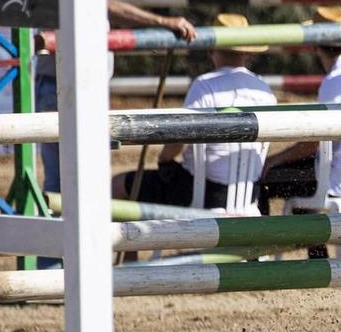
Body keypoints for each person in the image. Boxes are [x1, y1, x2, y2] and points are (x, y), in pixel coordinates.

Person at [25, 0, 196, 197]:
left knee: (72, 179)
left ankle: (64, 235)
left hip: (71, 83)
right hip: (64, 85)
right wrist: (162, 22)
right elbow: (107, 6)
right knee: (70, 181)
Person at [111, 13, 274, 211]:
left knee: (117, 185)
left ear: (212, 49)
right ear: (248, 52)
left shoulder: (204, 85)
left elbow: (179, 141)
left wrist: (165, 158)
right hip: (249, 197)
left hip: (200, 192)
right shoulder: (264, 88)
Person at [258, 6, 341, 214]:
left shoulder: (334, 82)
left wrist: (274, 159)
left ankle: (258, 245)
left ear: (315, 45)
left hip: (337, 183)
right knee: (303, 176)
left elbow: (314, 143)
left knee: (263, 177)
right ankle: (315, 247)